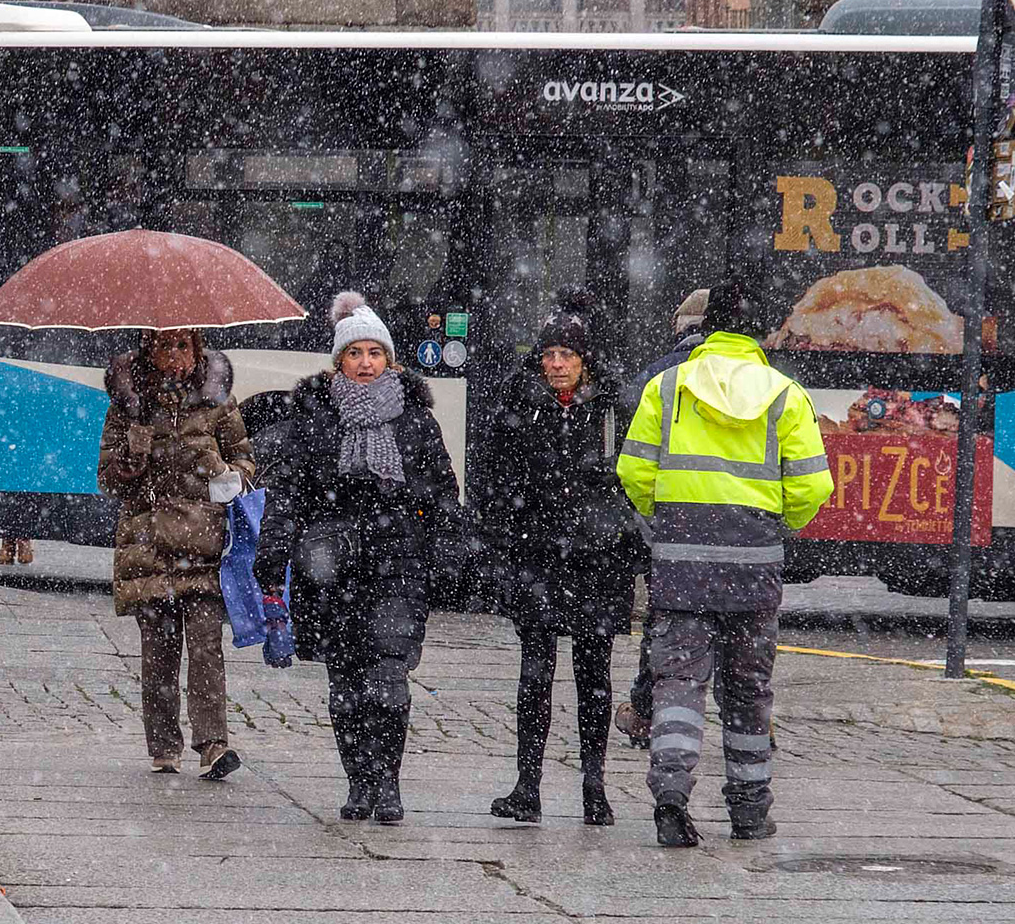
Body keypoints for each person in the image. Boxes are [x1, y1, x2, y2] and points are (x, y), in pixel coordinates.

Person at [616, 279, 833, 848]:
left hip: (681, 566)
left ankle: (670, 795)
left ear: (708, 326)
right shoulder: (786, 395)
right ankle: (749, 811)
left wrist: (668, 524)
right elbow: (813, 486)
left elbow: (634, 472)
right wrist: (775, 524)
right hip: (753, 569)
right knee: (748, 694)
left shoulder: (667, 388)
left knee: (679, 685)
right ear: (762, 332)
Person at [253, 293, 460, 824]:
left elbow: (441, 495)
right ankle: (359, 783)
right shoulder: (315, 418)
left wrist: (449, 555)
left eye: (375, 353)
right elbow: (289, 491)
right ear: (338, 360)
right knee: (344, 685)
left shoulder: (415, 422)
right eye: (355, 353)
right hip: (330, 569)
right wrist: (273, 553)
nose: (366, 363)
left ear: (389, 360)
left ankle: (387, 783)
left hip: (397, 567)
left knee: (388, 680)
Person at [478, 306, 641, 827]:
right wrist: (502, 538)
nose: (555, 364)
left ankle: (594, 786)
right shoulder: (519, 405)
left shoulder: (614, 408)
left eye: (566, 355)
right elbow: (492, 477)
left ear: (584, 361)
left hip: (598, 560)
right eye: (548, 355)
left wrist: (620, 530)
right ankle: (529, 786)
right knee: (535, 673)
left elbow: (635, 477)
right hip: (538, 556)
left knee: (594, 675)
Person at [97, 329, 255, 778]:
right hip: (150, 546)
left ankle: (213, 743)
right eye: (164, 346)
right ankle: (164, 744)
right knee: (159, 650)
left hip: (203, 545)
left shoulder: (217, 400)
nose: (175, 356)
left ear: (197, 349)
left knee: (206, 646)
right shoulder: (129, 404)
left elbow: (246, 461)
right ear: (149, 350)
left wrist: (222, 473)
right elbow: (107, 479)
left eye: (183, 346)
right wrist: (132, 455)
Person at [615, 286, 711, 750]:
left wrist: (650, 519)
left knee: (666, 627)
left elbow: (632, 462)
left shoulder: (656, 379)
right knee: (738, 633)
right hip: (739, 532)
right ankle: (753, 726)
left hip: (672, 533)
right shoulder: (756, 378)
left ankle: (648, 713)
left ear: (680, 327)